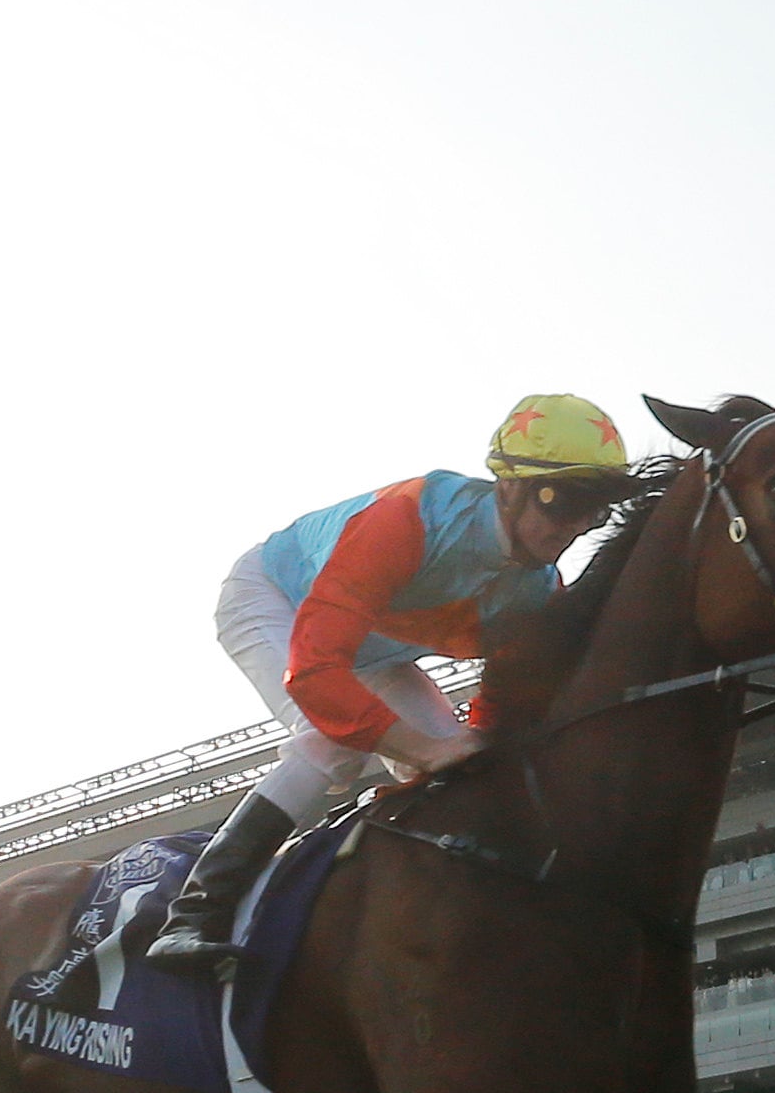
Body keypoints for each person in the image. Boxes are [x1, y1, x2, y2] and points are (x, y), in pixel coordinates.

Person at [148, 394, 643, 968]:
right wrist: (426, 749)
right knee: (332, 742)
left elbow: (497, 713)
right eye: (566, 502)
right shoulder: (405, 521)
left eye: (597, 509)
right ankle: (194, 913)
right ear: (508, 485)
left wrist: (462, 749)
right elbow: (314, 672)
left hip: (370, 645)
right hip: (275, 599)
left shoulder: (535, 591)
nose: (578, 526)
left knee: (474, 764)